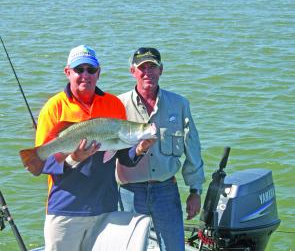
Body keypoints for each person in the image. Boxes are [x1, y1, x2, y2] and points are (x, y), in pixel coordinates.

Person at [34, 45, 153, 251]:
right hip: (66, 210)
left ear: (98, 73)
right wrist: (74, 158)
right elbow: (41, 162)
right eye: (79, 70)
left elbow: (123, 156)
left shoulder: (114, 104)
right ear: (68, 72)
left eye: (91, 70)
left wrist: (140, 148)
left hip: (105, 208)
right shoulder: (54, 107)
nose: (85, 75)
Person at [116, 47, 205, 251]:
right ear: (133, 71)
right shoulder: (117, 105)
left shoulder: (179, 104)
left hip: (166, 190)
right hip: (129, 192)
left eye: (153, 67)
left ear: (161, 70)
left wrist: (195, 191)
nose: (148, 72)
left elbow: (192, 149)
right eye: (142, 67)